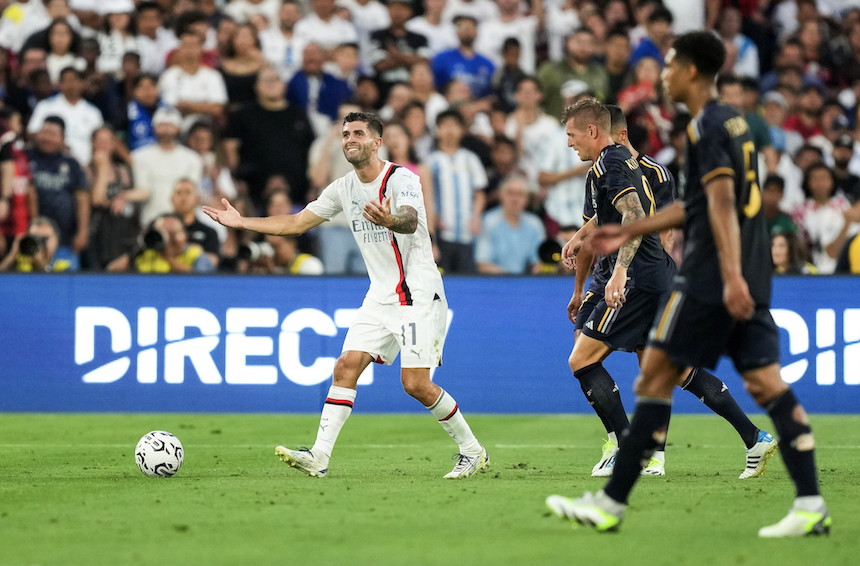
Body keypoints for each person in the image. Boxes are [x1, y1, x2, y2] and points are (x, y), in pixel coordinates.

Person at [558, 31, 830, 538]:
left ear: (690, 71)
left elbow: (721, 204)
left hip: (712, 274)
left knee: (653, 372)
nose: (661, 74)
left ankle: (613, 499)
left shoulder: (705, 125)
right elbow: (699, 203)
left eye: (668, 65)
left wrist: (725, 276)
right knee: (752, 381)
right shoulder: (736, 122)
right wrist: (632, 229)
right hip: (745, 267)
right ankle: (805, 496)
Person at [203, 111, 489, 479]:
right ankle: (319, 456)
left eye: (358, 133)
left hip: (417, 294)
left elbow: (411, 219)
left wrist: (389, 220)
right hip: (380, 296)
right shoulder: (342, 188)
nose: (349, 139)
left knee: (415, 384)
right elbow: (295, 222)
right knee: (345, 365)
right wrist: (243, 222)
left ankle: (473, 451)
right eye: (345, 134)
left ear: (376, 142)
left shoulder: (402, 179)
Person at [225, 65, 315, 208]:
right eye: (266, 80)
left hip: (297, 193)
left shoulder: (298, 113)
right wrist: (238, 179)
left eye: (275, 79)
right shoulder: (243, 115)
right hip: (254, 192)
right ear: (256, 87)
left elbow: (311, 148)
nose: (271, 84)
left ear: (284, 85)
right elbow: (230, 148)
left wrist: (312, 186)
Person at [424, 109, 486, 273]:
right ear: (438, 131)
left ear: (462, 131)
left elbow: (479, 192)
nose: (450, 131)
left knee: (466, 277)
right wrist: (434, 217)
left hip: (467, 232)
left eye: (454, 126)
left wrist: (476, 217)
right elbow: (427, 194)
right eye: (445, 126)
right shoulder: (432, 161)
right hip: (442, 232)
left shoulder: (470, 159)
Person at [26, 115, 90, 270]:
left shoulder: (71, 163)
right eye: (44, 132)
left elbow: (82, 198)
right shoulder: (25, 157)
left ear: (62, 138)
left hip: (66, 240)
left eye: (53, 134)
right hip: (30, 237)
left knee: (65, 282)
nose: (47, 138)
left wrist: (82, 231)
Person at [133, 106, 203, 226]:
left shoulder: (193, 159)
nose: (166, 129)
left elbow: (192, 194)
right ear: (154, 128)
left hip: (184, 223)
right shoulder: (139, 156)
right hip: (151, 221)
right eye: (162, 125)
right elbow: (143, 190)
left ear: (178, 128)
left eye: (170, 125)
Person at [28, 66, 104, 166]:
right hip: (51, 162)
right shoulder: (45, 106)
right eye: (67, 81)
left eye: (75, 80)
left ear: (83, 83)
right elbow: (32, 133)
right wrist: (56, 144)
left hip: (86, 166)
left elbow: (100, 141)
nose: (71, 85)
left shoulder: (93, 112)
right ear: (60, 84)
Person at [475, 175, 544, 274]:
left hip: (527, 283)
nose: (515, 199)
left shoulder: (535, 224)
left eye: (520, 194)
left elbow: (539, 262)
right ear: (501, 195)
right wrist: (512, 281)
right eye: (510, 193)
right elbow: (482, 263)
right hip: (496, 282)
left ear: (527, 199)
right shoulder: (488, 222)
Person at [368, 0, 431, 101]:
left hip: (412, 89)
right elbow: (379, 65)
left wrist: (396, 55)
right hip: (383, 89)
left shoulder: (419, 38)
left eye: (402, 8)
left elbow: (424, 62)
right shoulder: (378, 35)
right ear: (388, 10)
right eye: (394, 8)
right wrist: (410, 58)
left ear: (410, 12)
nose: (398, 13)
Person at [431, 15, 495, 100]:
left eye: (470, 27)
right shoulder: (442, 58)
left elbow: (491, 92)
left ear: (476, 32)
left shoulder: (487, 63)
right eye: (463, 27)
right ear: (457, 31)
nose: (467, 30)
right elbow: (434, 85)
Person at [170, 177, 220, 267]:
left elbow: (212, 262)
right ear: (172, 199)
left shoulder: (209, 232)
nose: (183, 198)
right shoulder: (159, 227)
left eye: (188, 192)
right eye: (179, 193)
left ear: (197, 199)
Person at [0, 216, 70, 272]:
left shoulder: (63, 267)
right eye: (34, 238)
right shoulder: (18, 264)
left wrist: (43, 267)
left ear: (56, 242)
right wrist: (12, 255)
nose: (40, 243)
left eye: (45, 238)